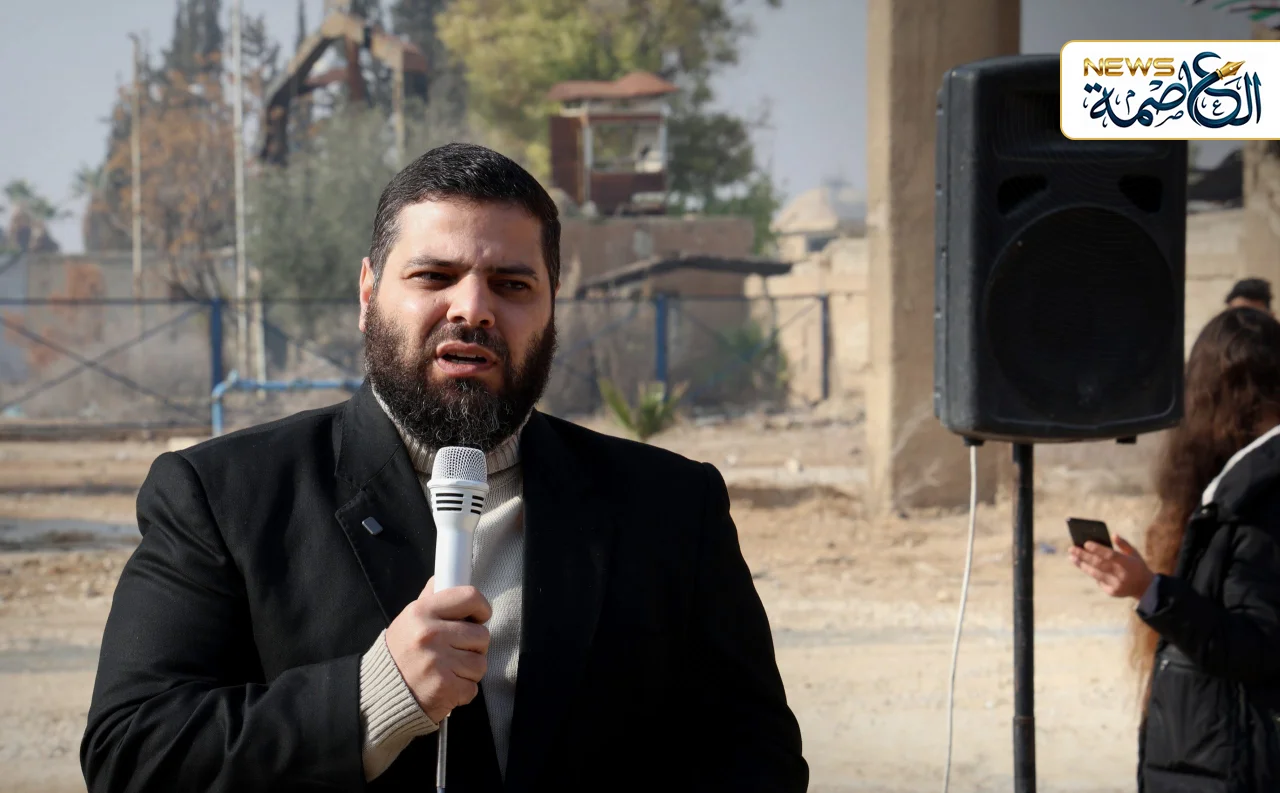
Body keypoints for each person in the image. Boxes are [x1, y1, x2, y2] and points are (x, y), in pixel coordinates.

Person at [80, 143, 808, 792]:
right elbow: (131, 753)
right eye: (435, 275)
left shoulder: (671, 507)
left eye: (512, 285)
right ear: (369, 294)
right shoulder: (224, 497)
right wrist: (374, 696)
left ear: (552, 309)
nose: (473, 309)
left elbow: (756, 758)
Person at [1069, 306, 1280, 792]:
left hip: (1233, 767)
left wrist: (1152, 592)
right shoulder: (1241, 486)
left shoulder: (1263, 497)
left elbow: (1254, 644)